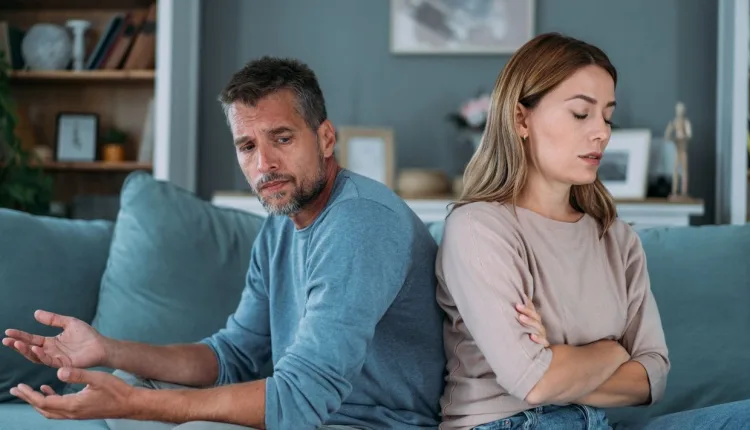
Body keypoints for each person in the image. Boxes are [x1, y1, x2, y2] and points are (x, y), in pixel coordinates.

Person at [3, 56, 446, 430]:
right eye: (247, 146)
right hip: (309, 415)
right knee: (131, 382)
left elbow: (300, 398)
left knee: (151, 407)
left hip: (371, 423)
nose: (264, 164)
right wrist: (108, 349)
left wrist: (135, 404)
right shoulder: (280, 227)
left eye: (282, 138)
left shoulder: (361, 223)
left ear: (326, 138)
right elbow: (232, 355)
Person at [435, 32, 750, 430]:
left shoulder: (616, 238)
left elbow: (652, 377)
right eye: (581, 114)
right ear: (521, 119)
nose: (602, 132)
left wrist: (559, 361)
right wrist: (614, 351)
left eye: (607, 116)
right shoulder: (478, 228)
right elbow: (534, 382)